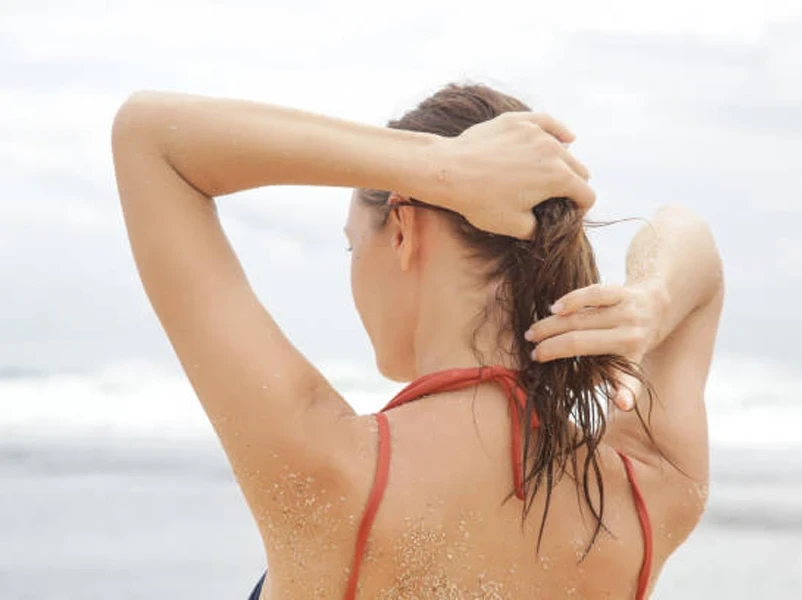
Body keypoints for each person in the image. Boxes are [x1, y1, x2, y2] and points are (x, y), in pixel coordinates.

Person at [111, 82, 723, 599]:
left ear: (402, 230)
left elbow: (150, 138)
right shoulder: (643, 498)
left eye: (355, 245)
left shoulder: (330, 476)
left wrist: (436, 167)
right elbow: (689, 237)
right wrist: (654, 299)